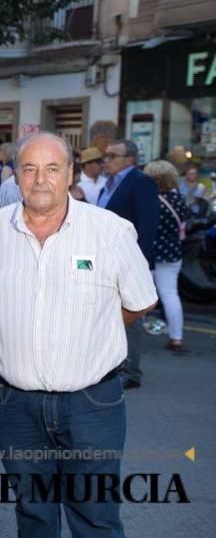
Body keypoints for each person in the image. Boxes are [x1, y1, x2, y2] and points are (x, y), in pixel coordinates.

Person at [0, 132, 158, 538]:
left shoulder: (110, 231)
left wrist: (94, 331)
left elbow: (140, 301)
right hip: (15, 405)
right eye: (30, 168)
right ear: (16, 175)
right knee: (33, 514)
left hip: (91, 403)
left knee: (95, 517)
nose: (41, 179)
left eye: (52, 169)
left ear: (70, 174)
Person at [98, 139, 159, 390]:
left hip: (128, 260)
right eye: (106, 155)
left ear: (130, 159)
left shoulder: (140, 182)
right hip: (104, 259)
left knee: (129, 315)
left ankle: (131, 371)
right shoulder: (109, 184)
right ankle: (112, 365)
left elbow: (147, 225)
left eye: (113, 155)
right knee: (108, 314)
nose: (106, 160)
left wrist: (139, 264)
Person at [144, 160, 191, 351]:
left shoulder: (152, 200)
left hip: (151, 253)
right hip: (173, 252)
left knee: (140, 294)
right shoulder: (178, 198)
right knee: (170, 294)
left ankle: (136, 335)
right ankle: (176, 336)